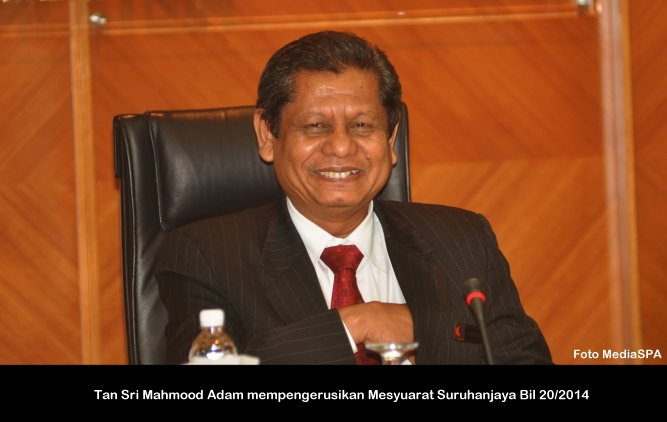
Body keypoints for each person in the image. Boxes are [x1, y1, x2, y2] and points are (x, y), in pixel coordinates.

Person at [156, 30, 552, 365]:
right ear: (267, 135)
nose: (342, 147)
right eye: (315, 126)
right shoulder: (207, 255)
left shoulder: (462, 240)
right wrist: (356, 324)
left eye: (362, 125)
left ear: (391, 139)